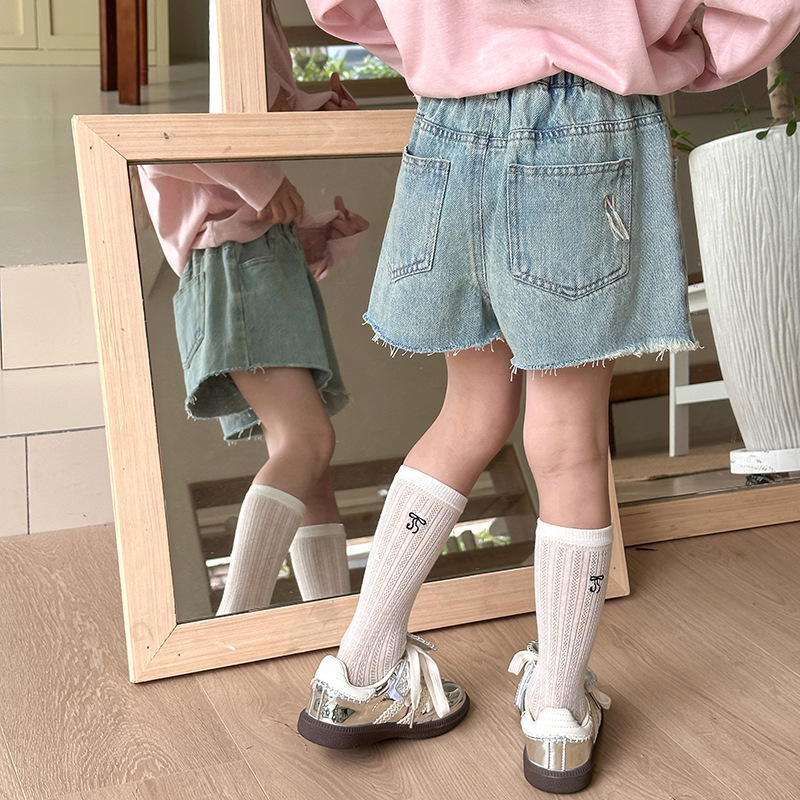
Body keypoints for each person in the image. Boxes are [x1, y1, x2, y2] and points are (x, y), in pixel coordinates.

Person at [295, 0, 800, 793]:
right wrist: (681, 51)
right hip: (584, 125)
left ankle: (358, 672)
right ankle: (556, 711)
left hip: (448, 128)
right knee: (567, 440)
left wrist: (440, 43)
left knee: (469, 414)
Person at [138, 2, 368, 615]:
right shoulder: (234, 15)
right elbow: (156, 146)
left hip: (253, 264)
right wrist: (263, 181)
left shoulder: (253, 20)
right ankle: (236, 620)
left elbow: (260, 122)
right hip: (237, 267)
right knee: (308, 442)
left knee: (310, 465)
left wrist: (315, 229)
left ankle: (329, 626)